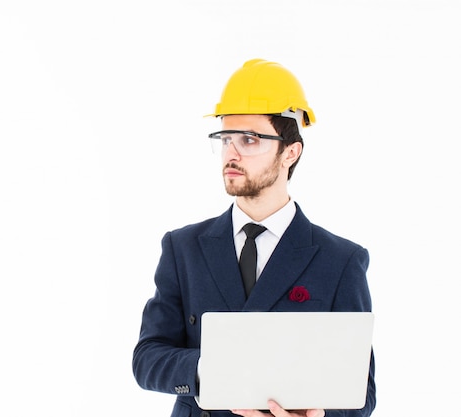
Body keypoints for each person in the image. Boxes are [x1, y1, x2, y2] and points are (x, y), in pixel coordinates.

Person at [131, 58, 376, 417]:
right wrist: (213, 371)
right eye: (225, 138)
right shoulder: (182, 248)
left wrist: (318, 415)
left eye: (249, 140)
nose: (231, 153)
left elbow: (361, 391)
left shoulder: (340, 260)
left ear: (290, 152)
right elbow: (147, 359)